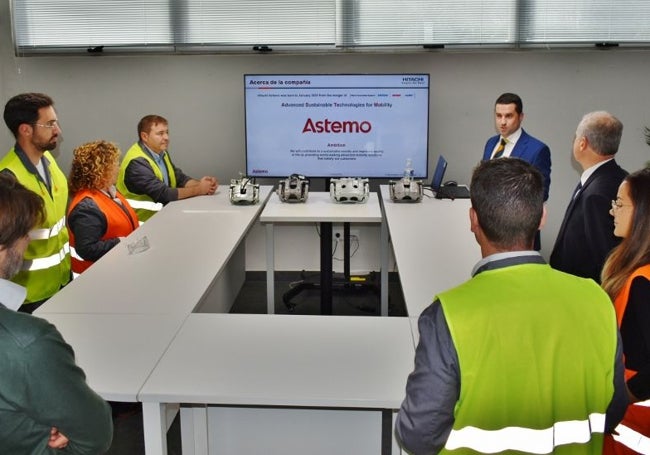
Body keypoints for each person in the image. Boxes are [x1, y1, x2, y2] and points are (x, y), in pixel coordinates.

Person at [395, 158, 627, 454]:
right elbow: (612, 412)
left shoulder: (447, 316)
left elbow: (418, 436)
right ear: (542, 216)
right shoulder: (597, 302)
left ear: (473, 220)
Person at [0, 173, 113, 453]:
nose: (27, 243)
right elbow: (95, 432)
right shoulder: (27, 342)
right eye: (25, 234)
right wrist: (47, 442)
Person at [0, 93, 71, 313]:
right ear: (25, 130)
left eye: (56, 122)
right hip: (30, 296)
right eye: (49, 124)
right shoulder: (8, 179)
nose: (57, 130)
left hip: (62, 281)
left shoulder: (48, 160)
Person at [601, 167, 650, 454]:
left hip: (633, 425)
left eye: (620, 204)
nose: (612, 211)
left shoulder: (642, 281)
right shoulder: (634, 271)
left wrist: (622, 398)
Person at [550, 111, 628, 283]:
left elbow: (604, 257)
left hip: (581, 290)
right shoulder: (618, 178)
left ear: (582, 143)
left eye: (576, 137)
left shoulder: (596, 194)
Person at [117, 114, 218, 222]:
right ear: (145, 136)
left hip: (162, 217)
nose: (166, 137)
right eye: (160, 133)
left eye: (167, 132)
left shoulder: (160, 152)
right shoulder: (137, 163)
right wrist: (200, 189)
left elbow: (178, 177)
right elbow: (164, 194)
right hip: (142, 225)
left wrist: (205, 185)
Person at [483, 93, 550, 250]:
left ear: (521, 117)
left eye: (509, 116)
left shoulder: (537, 150)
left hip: (519, 233)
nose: (503, 122)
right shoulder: (491, 143)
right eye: (498, 116)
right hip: (490, 230)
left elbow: (542, 193)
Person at [68, 140, 139, 277]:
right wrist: (120, 243)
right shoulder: (86, 207)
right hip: (96, 278)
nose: (118, 168)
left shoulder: (109, 192)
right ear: (101, 170)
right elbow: (87, 249)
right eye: (115, 164)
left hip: (115, 271)